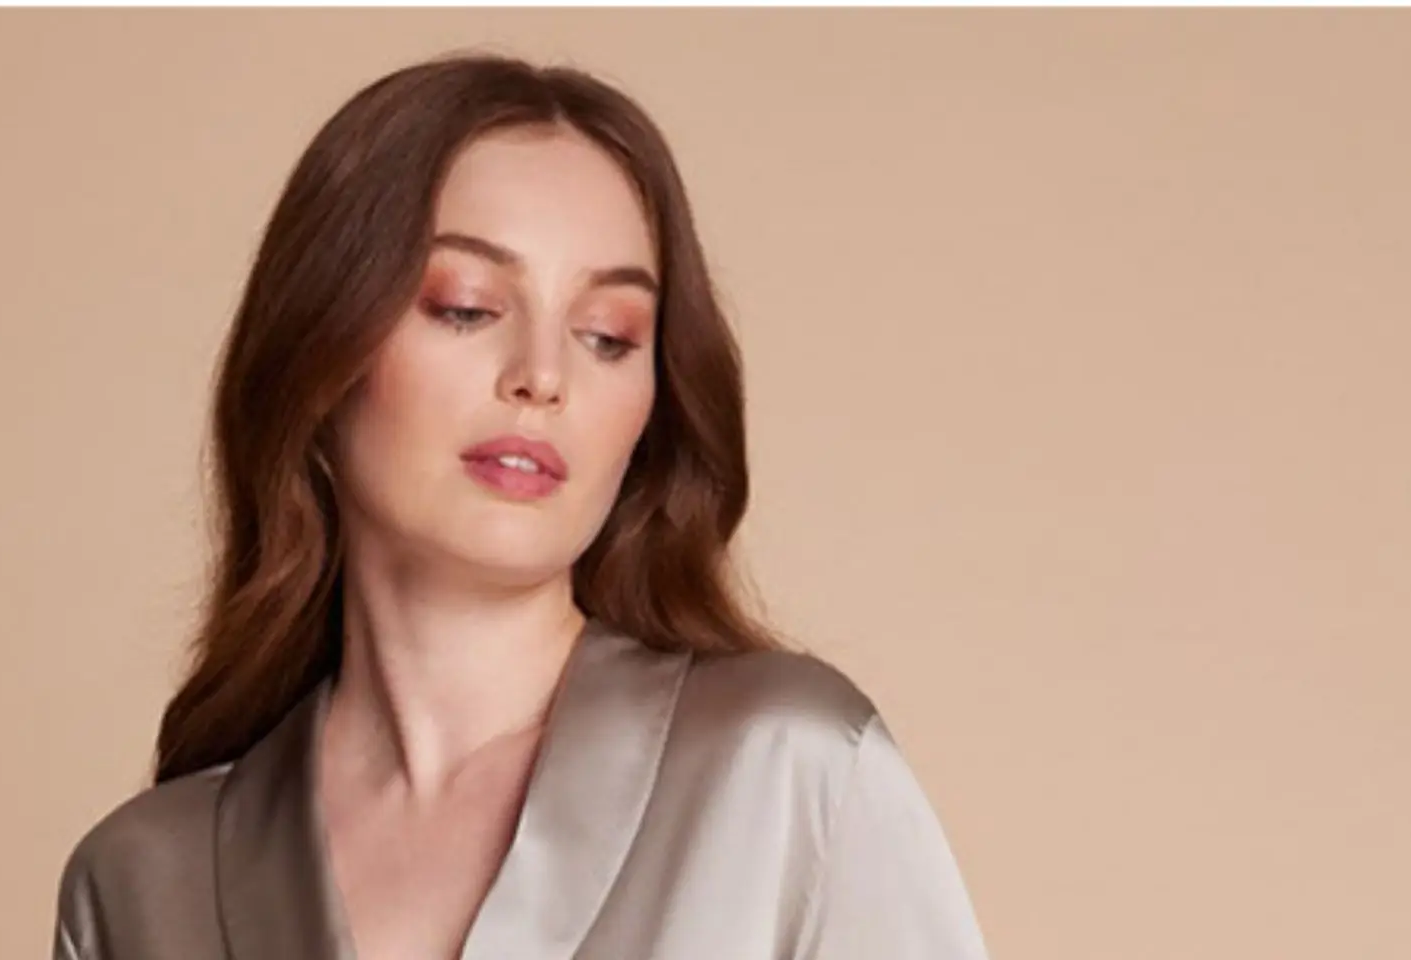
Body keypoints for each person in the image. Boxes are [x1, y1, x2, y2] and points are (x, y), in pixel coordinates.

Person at [53, 52, 992, 960]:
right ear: (319, 357)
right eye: (466, 307)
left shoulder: (785, 773)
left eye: (608, 335)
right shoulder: (143, 883)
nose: (543, 376)